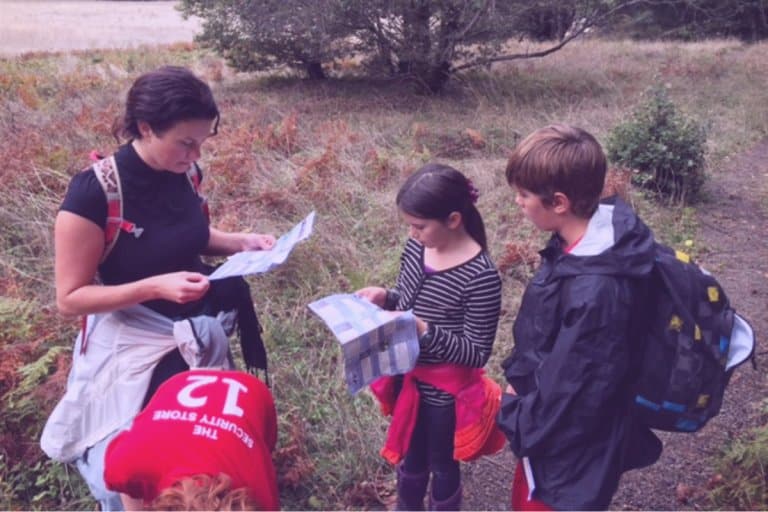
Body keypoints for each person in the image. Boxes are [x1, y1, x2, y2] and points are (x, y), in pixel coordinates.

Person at [40, 65, 275, 510]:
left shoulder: (186, 173)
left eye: (202, 143)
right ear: (146, 128)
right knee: (126, 470)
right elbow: (69, 299)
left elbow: (190, 234)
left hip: (196, 329)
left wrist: (240, 241)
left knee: (194, 455)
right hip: (132, 336)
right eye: (185, 142)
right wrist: (154, 287)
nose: (194, 154)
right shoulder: (94, 194)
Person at [496, 124, 663, 510]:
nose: (518, 203)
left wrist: (516, 416)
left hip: (569, 449)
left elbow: (575, 389)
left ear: (558, 202)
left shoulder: (598, 289)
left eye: (523, 195)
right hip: (554, 432)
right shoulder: (583, 242)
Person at [357, 163, 504, 511]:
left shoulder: (480, 276)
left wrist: (424, 330)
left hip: (444, 395)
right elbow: (406, 301)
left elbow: (476, 352)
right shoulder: (416, 250)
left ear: (453, 220)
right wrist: (385, 297)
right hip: (405, 376)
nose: (412, 234)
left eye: (419, 226)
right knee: (410, 453)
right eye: (410, 225)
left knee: (442, 462)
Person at [104, 368, 280, 511]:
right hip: (178, 383)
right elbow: (125, 486)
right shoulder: (125, 466)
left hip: (252, 392)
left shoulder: (261, 497)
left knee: (259, 449)